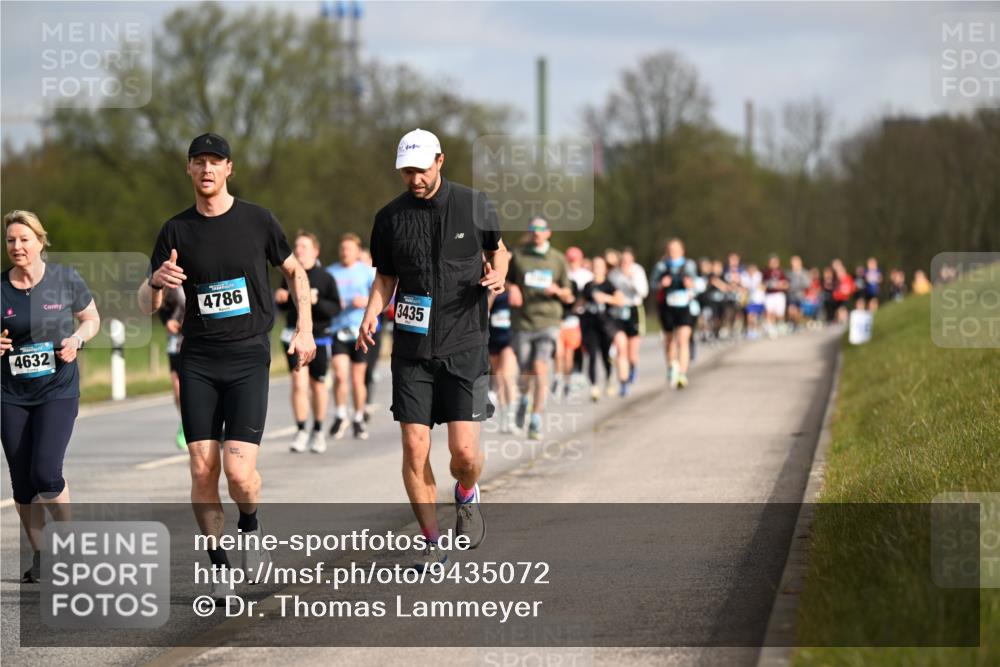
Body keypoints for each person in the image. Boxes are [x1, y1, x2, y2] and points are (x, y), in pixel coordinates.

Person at [139, 133, 316, 603]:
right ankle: (218, 563)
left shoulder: (258, 220)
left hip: (247, 355)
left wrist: (305, 329)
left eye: (215, 162)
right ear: (189, 170)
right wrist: (155, 283)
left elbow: (295, 272)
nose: (206, 170)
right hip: (198, 356)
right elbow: (146, 303)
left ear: (229, 169)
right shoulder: (175, 230)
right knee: (201, 469)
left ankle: (251, 527)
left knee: (239, 475)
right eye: (198, 162)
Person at [358, 128, 507, 570]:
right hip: (411, 347)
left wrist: (498, 276)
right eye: (406, 171)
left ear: (440, 161)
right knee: (414, 447)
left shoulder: (473, 204)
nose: (414, 178)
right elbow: (385, 278)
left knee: (463, 454)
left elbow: (500, 252)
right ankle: (431, 540)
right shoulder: (389, 218)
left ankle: (466, 493)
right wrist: (371, 311)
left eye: (420, 169)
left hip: (465, 343)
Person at [1, 210, 101, 583]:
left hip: (56, 389)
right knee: (22, 484)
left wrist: (77, 339)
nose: (17, 247)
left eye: (24, 239)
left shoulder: (65, 279)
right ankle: (42, 555)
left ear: (40, 242)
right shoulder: (0, 288)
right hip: (10, 393)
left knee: (45, 471)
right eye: (10, 240)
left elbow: (91, 319)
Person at [508, 218, 574, 439]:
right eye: (533, 229)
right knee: (525, 371)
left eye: (541, 229)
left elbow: (569, 294)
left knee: (540, 366)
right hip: (523, 321)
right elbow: (505, 279)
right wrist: (513, 288)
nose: (536, 233)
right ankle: (523, 399)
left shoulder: (558, 259)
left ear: (549, 233)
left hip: (549, 321)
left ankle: (535, 418)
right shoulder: (519, 256)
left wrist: (558, 291)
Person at [275, 231, 341, 454]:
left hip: (320, 338)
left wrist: (318, 301)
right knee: (299, 384)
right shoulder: (289, 274)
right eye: (297, 246)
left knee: (318, 384)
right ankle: (302, 429)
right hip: (293, 337)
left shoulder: (325, 277)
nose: (299, 250)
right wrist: (281, 299)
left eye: (304, 246)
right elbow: (283, 306)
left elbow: (335, 308)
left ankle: (318, 430)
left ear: (316, 251)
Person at [327, 233, 376, 440]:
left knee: (357, 379)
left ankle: (358, 417)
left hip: (361, 331)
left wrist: (365, 302)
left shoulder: (367, 272)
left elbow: (384, 297)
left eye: (349, 248)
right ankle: (340, 414)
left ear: (357, 252)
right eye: (342, 248)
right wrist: (331, 305)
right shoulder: (330, 272)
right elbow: (323, 297)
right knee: (339, 374)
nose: (345, 252)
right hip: (338, 330)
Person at [650, 239, 698, 388]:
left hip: (684, 306)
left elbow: (697, 284)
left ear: (682, 251)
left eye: (676, 249)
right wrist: (661, 284)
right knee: (669, 339)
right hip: (667, 306)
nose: (673, 252)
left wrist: (691, 285)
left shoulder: (689, 265)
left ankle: (682, 374)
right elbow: (652, 284)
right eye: (671, 249)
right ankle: (671, 367)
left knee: (683, 340)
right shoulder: (661, 266)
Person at [580, 256, 628, 401]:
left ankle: (609, 377)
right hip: (590, 325)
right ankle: (594, 387)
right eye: (594, 266)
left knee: (606, 355)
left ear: (604, 269)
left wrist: (606, 298)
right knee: (592, 355)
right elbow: (580, 302)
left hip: (606, 325)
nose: (596, 269)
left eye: (599, 266)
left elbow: (621, 301)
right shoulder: (588, 286)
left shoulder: (609, 285)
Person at [609, 248, 649, 391]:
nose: (625, 263)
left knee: (632, 352)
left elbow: (643, 292)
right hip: (618, 313)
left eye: (628, 261)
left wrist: (631, 279)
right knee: (621, 348)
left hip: (634, 310)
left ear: (632, 260)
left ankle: (633, 367)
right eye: (623, 261)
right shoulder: (613, 274)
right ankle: (623, 381)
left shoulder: (638, 271)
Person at [160, 285, 187, 449]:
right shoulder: (172, 282)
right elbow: (161, 305)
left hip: (198, 340)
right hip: (176, 342)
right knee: (177, 388)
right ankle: (186, 423)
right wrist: (167, 321)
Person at [488, 287, 518, 433]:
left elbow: (519, 304)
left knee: (505, 375)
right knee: (498, 379)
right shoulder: (488, 289)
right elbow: (485, 308)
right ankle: (504, 418)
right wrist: (492, 294)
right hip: (493, 338)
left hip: (509, 339)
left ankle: (511, 420)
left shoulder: (514, 289)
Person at [762, 254, 789, 338]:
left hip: (779, 294)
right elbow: (762, 284)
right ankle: (771, 329)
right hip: (769, 295)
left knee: (779, 314)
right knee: (770, 312)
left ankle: (780, 326)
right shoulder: (765, 272)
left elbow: (787, 284)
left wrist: (781, 285)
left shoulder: (782, 272)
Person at [786, 255, 811, 332]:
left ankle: (797, 325)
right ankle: (792, 324)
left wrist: (793, 286)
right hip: (791, 296)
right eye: (792, 262)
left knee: (798, 312)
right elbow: (786, 284)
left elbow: (807, 284)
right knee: (791, 311)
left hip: (800, 296)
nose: (793, 264)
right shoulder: (789, 273)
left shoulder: (804, 273)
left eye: (795, 262)